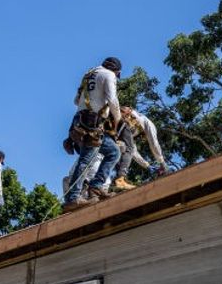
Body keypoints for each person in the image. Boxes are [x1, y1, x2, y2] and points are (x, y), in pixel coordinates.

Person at [63, 57, 124, 210]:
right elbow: (112, 99)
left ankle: (96, 186)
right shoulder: (109, 75)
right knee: (86, 159)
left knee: (113, 152)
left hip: (80, 121)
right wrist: (118, 118)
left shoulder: (89, 73)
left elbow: (76, 101)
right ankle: (73, 197)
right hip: (92, 123)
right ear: (116, 71)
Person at [111, 106, 168, 191]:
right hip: (120, 121)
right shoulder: (145, 123)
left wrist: (148, 165)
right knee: (120, 148)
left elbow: (133, 151)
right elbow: (153, 144)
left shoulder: (135, 131)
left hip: (121, 127)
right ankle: (119, 178)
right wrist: (159, 163)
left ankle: (119, 178)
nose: (143, 138)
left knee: (123, 149)